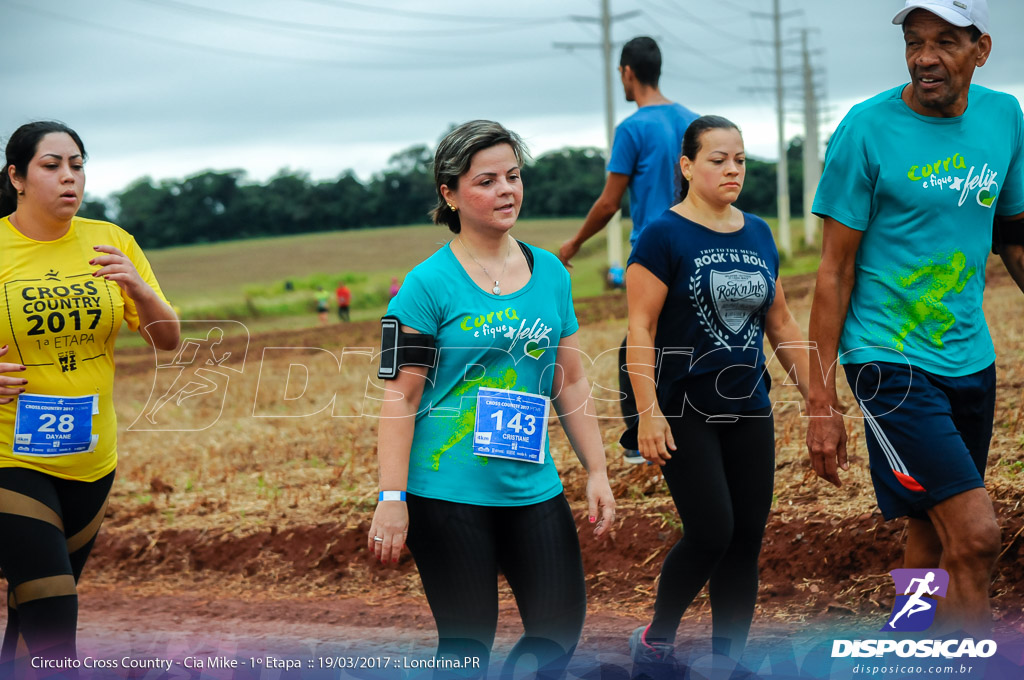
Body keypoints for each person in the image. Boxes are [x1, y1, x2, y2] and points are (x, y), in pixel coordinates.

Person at [806, 0, 1024, 636]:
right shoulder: (867, 128)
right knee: (978, 534)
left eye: (946, 41)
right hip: (887, 360)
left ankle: (909, 643)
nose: (925, 56)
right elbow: (833, 272)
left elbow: (1011, 238)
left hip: (969, 356)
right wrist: (821, 403)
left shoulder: (1005, 117)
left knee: (933, 529)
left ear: (981, 49)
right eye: (914, 40)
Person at [368, 120, 615, 679]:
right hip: (447, 492)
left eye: (513, 176)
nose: (506, 190)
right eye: (487, 180)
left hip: (532, 486)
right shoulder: (426, 285)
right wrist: (391, 496)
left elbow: (569, 379)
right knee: (466, 647)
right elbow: (400, 398)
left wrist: (596, 469)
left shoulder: (550, 272)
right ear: (449, 194)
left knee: (557, 634)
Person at [623, 115, 809, 674]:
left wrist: (821, 397)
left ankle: (729, 660)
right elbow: (640, 329)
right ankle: (655, 641)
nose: (732, 169)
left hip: (750, 404)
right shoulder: (662, 235)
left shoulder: (757, 233)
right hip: (684, 409)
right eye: (717, 159)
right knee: (712, 531)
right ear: (686, 166)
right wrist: (647, 414)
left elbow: (779, 321)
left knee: (747, 537)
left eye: (740, 160)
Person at [0, 121, 180, 673]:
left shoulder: (113, 241)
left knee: (33, 616)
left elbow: (167, 341)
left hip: (91, 458)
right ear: (17, 177)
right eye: (51, 165)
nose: (68, 177)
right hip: (11, 455)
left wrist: (140, 288)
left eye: (76, 164)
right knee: (56, 612)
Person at [558, 36, 699, 465]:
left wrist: (575, 242)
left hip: (653, 250)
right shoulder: (694, 122)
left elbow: (608, 202)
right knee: (682, 333)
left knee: (640, 338)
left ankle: (642, 436)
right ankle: (690, 423)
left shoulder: (633, 129)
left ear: (627, 72)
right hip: (696, 241)